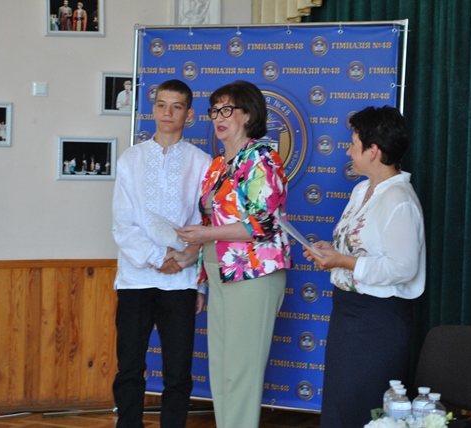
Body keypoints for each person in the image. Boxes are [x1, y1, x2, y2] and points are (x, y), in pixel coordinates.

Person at [176, 80, 291, 428]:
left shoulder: (262, 158)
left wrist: (206, 235)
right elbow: (208, 222)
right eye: (214, 111)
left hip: (253, 274)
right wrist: (196, 273)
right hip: (217, 272)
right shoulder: (216, 165)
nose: (219, 117)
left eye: (227, 109)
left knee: (241, 370)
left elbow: (264, 223)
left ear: (249, 114)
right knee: (222, 368)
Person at [302, 106, 426, 428]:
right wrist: (333, 252)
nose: (348, 151)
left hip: (377, 322)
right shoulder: (361, 190)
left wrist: (342, 261)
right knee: (340, 408)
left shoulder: (399, 199)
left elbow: (403, 267)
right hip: (347, 314)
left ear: (374, 151)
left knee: (363, 409)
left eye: (353, 144)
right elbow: (360, 247)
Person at [112, 79, 212, 428]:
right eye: (161, 105)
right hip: (135, 277)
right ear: (152, 109)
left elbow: (207, 224)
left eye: (177, 106)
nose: (168, 113)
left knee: (178, 371)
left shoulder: (202, 162)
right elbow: (122, 223)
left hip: (181, 280)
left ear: (189, 114)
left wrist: (199, 283)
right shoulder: (131, 159)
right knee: (129, 366)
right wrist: (158, 257)